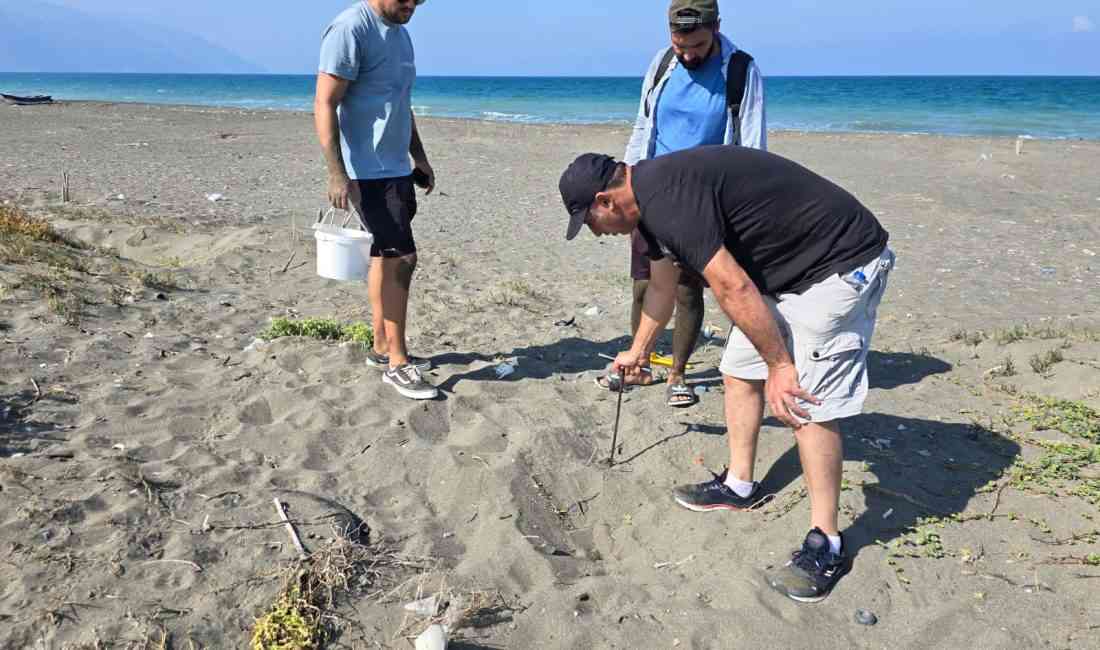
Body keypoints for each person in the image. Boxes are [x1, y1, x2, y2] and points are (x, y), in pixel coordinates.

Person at [558, 146, 895, 603]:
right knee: (737, 370)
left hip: (840, 263)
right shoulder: (647, 211)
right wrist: (637, 352)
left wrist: (781, 366)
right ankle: (739, 484)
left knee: (802, 400)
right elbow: (661, 288)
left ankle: (827, 543)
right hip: (785, 272)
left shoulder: (667, 201)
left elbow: (731, 284)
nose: (597, 233)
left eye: (590, 222)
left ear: (605, 200)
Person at [613, 0, 766, 408]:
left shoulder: (741, 70)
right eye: (680, 45)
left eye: (696, 46)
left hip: (702, 201)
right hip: (649, 190)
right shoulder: (662, 62)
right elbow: (644, 124)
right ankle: (640, 362)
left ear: (717, 27)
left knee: (686, 288)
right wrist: (628, 181)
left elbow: (752, 144)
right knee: (644, 284)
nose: (687, 55)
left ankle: (678, 374)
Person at [314, 0, 437, 400]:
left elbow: (401, 103)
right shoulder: (351, 28)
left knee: (384, 255)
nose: (413, 5)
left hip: (396, 167)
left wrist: (418, 157)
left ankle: (383, 347)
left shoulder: (401, 35)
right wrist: (336, 172)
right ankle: (398, 364)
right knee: (403, 258)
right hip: (365, 171)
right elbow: (325, 102)